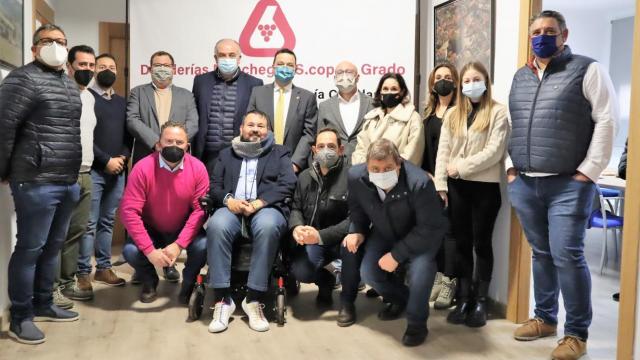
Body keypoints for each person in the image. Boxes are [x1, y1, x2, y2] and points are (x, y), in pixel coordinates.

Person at [507, 10, 618, 360]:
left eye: (549, 31)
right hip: (526, 183)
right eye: (536, 31)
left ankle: (576, 334)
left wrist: (590, 171)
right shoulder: (520, 77)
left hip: (568, 185)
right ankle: (544, 318)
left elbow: (606, 119)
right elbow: (512, 123)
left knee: (567, 256)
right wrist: (511, 169)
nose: (542, 36)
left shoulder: (588, 69)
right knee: (541, 253)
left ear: (564, 35)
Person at [0, 24, 82, 344]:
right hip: (35, 181)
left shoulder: (65, 80)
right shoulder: (22, 78)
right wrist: (3, 169)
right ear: (34, 49)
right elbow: (4, 128)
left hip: (66, 179)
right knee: (30, 249)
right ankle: (20, 318)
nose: (56, 47)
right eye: (48, 41)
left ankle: (44, 302)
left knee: (52, 248)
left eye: (62, 42)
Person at [341, 139, 447, 347]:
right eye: (375, 168)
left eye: (388, 168)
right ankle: (401, 299)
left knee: (420, 273)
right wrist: (358, 231)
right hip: (385, 230)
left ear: (399, 164)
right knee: (369, 272)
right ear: (367, 166)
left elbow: (428, 228)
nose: (381, 173)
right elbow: (357, 209)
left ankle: (417, 324)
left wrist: (396, 255)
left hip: (422, 235)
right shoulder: (355, 177)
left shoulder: (420, 182)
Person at [206, 110, 296, 333]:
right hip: (232, 207)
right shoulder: (226, 154)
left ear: (268, 131)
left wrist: (260, 202)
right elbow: (215, 186)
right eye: (251, 125)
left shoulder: (280, 153)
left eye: (261, 126)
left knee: (268, 226)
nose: (255, 129)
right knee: (217, 225)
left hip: (265, 207)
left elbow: (288, 184)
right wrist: (228, 201)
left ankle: (253, 299)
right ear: (241, 129)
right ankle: (223, 300)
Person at [434, 61, 509, 327]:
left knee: (482, 244)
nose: (470, 84)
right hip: (456, 188)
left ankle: (480, 301)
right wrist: (441, 184)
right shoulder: (453, 113)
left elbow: (495, 151)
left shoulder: (498, 112)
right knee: (462, 244)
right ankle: (464, 297)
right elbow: (443, 150)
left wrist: (460, 167)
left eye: (476, 79)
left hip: (484, 188)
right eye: (466, 81)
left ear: (486, 82)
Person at [127, 50, 199, 281]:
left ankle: (168, 264)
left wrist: (174, 144)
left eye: (166, 65)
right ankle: (145, 266)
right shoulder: (138, 93)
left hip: (177, 159)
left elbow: (193, 123)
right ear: (149, 68)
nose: (162, 69)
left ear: (175, 69)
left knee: (174, 213)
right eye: (157, 65)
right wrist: (158, 143)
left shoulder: (186, 95)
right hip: (149, 158)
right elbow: (132, 120)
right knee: (146, 212)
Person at [120, 121, 208, 304]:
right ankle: (149, 280)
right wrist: (150, 251)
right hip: (151, 229)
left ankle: (189, 282)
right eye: (169, 141)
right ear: (158, 144)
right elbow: (129, 212)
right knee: (130, 250)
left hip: (183, 228)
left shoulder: (198, 168)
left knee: (204, 246)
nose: (174, 146)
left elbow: (200, 211)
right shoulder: (142, 168)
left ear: (187, 146)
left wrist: (179, 244)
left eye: (179, 142)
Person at [76, 53, 132, 295]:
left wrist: (121, 157)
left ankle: (103, 267)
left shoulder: (122, 102)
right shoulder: (85, 98)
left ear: (117, 72)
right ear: (94, 70)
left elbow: (128, 136)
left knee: (107, 222)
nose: (107, 70)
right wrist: (106, 160)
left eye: (112, 66)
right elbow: (83, 138)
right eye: (101, 66)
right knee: (88, 223)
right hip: (95, 171)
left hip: (118, 171)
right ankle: (82, 273)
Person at [53, 45, 98, 306]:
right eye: (82, 65)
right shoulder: (60, 92)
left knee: (77, 230)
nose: (88, 70)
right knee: (56, 233)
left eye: (91, 65)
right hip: (63, 173)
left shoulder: (90, 97)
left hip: (86, 171)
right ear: (69, 66)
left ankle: (67, 281)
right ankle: (51, 287)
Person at [289, 127, 350, 307]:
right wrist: (297, 227)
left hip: (342, 241)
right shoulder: (304, 177)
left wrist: (321, 236)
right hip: (313, 242)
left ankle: (349, 300)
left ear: (341, 150)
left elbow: (354, 220)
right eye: (321, 146)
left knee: (358, 258)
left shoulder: (352, 177)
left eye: (331, 146)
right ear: (314, 150)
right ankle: (326, 280)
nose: (325, 151)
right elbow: (296, 208)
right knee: (300, 271)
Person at [192, 39, 263, 173]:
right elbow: (195, 114)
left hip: (238, 154)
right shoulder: (201, 81)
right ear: (215, 57)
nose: (227, 59)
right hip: (206, 156)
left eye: (231, 55)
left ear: (239, 58)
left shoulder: (254, 83)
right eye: (222, 55)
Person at [422, 63, 459, 310]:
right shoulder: (427, 113)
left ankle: (449, 280)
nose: (443, 81)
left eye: (447, 77)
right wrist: (428, 175)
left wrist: (443, 178)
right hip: (429, 181)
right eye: (439, 77)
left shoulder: (461, 111)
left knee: (451, 233)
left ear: (455, 81)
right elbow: (425, 149)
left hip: (453, 181)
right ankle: (437, 275)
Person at [247, 48, 317, 173]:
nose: (285, 68)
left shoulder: (307, 97)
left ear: (296, 68)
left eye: (290, 65)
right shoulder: (257, 93)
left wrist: (295, 163)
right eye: (280, 64)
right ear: (273, 67)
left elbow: (309, 134)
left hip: (293, 167)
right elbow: (250, 127)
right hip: (260, 162)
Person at [351, 73, 424, 166]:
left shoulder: (412, 118)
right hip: (367, 175)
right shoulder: (371, 118)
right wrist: (368, 169)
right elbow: (360, 149)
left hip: (397, 175)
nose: (389, 92)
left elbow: (413, 153)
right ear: (380, 92)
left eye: (394, 89)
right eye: (385, 89)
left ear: (401, 92)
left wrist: (388, 169)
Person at [317, 61, 374, 161]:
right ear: (334, 78)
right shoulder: (324, 106)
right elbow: (320, 138)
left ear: (357, 77)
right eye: (340, 72)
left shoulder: (372, 104)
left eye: (349, 72)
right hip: (333, 165)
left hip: (365, 164)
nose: (344, 76)